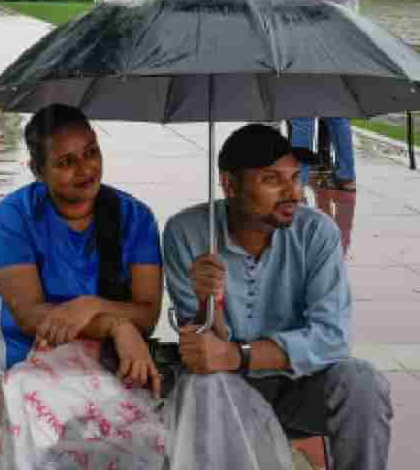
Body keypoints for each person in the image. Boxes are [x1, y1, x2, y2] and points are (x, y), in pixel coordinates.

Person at [163, 123, 392, 469]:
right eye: (272, 180)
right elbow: (204, 350)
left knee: (361, 381)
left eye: (296, 178)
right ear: (230, 184)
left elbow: (332, 338)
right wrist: (208, 303)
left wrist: (239, 355)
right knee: (202, 384)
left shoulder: (316, 232)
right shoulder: (189, 233)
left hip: (298, 386)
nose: (294, 194)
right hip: (223, 393)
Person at [0, 103, 167, 468]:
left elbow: (148, 314)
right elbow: (30, 315)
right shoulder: (15, 216)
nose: (85, 169)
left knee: (151, 439)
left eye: (91, 152)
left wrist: (90, 305)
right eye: (65, 162)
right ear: (37, 170)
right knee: (28, 414)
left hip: (116, 359)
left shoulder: (134, 217)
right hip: (34, 356)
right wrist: (115, 322)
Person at [290, 0, 360, 192]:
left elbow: (304, 10)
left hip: (320, 52)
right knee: (336, 114)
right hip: (340, 50)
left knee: (303, 115)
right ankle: (346, 173)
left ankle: (299, 177)